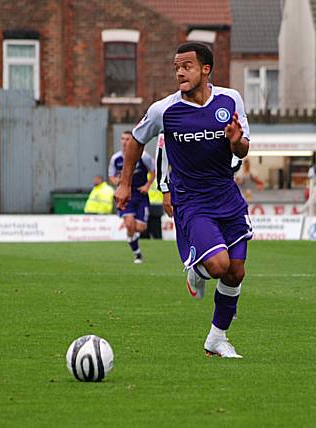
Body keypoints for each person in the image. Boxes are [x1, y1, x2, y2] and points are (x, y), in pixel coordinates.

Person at [115, 42, 252, 358]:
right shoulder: (164, 110)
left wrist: (235, 141)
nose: (179, 72)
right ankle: (199, 269)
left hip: (227, 196)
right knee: (218, 265)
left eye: (187, 66)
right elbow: (136, 141)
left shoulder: (230, 100)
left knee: (236, 272)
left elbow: (243, 149)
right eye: (177, 67)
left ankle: (217, 339)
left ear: (205, 69)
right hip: (192, 201)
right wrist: (124, 185)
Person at [109, 131, 155, 264]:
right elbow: (111, 176)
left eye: (127, 139)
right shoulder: (115, 158)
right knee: (129, 224)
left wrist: (147, 185)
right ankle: (137, 253)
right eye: (122, 139)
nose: (124, 142)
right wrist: (118, 182)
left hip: (140, 195)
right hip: (125, 196)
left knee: (140, 228)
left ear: (132, 141)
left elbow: (154, 171)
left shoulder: (144, 156)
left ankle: (132, 239)